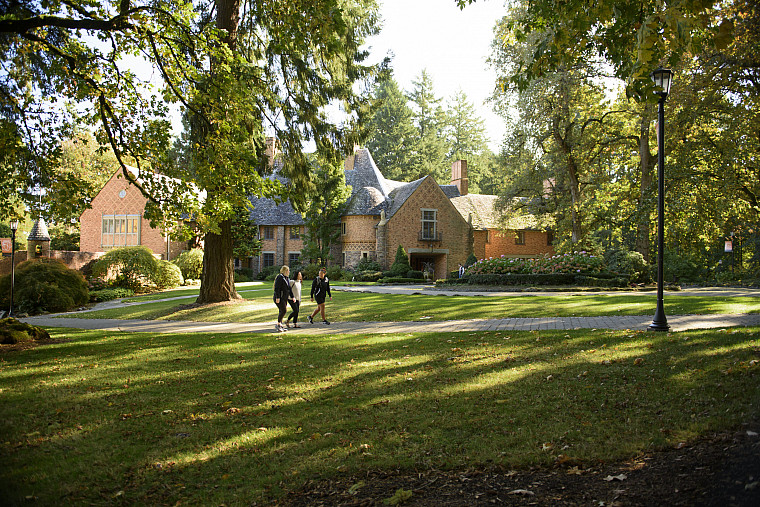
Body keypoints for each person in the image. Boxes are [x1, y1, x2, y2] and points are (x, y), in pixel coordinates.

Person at [273, 265, 293, 332]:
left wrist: (292, 296)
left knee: (281, 311)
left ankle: (280, 325)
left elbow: (289, 288)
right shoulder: (280, 277)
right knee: (284, 310)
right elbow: (277, 288)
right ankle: (278, 324)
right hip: (280, 297)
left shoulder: (287, 278)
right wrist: (278, 297)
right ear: (286, 271)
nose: (289, 272)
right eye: (288, 270)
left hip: (284, 297)